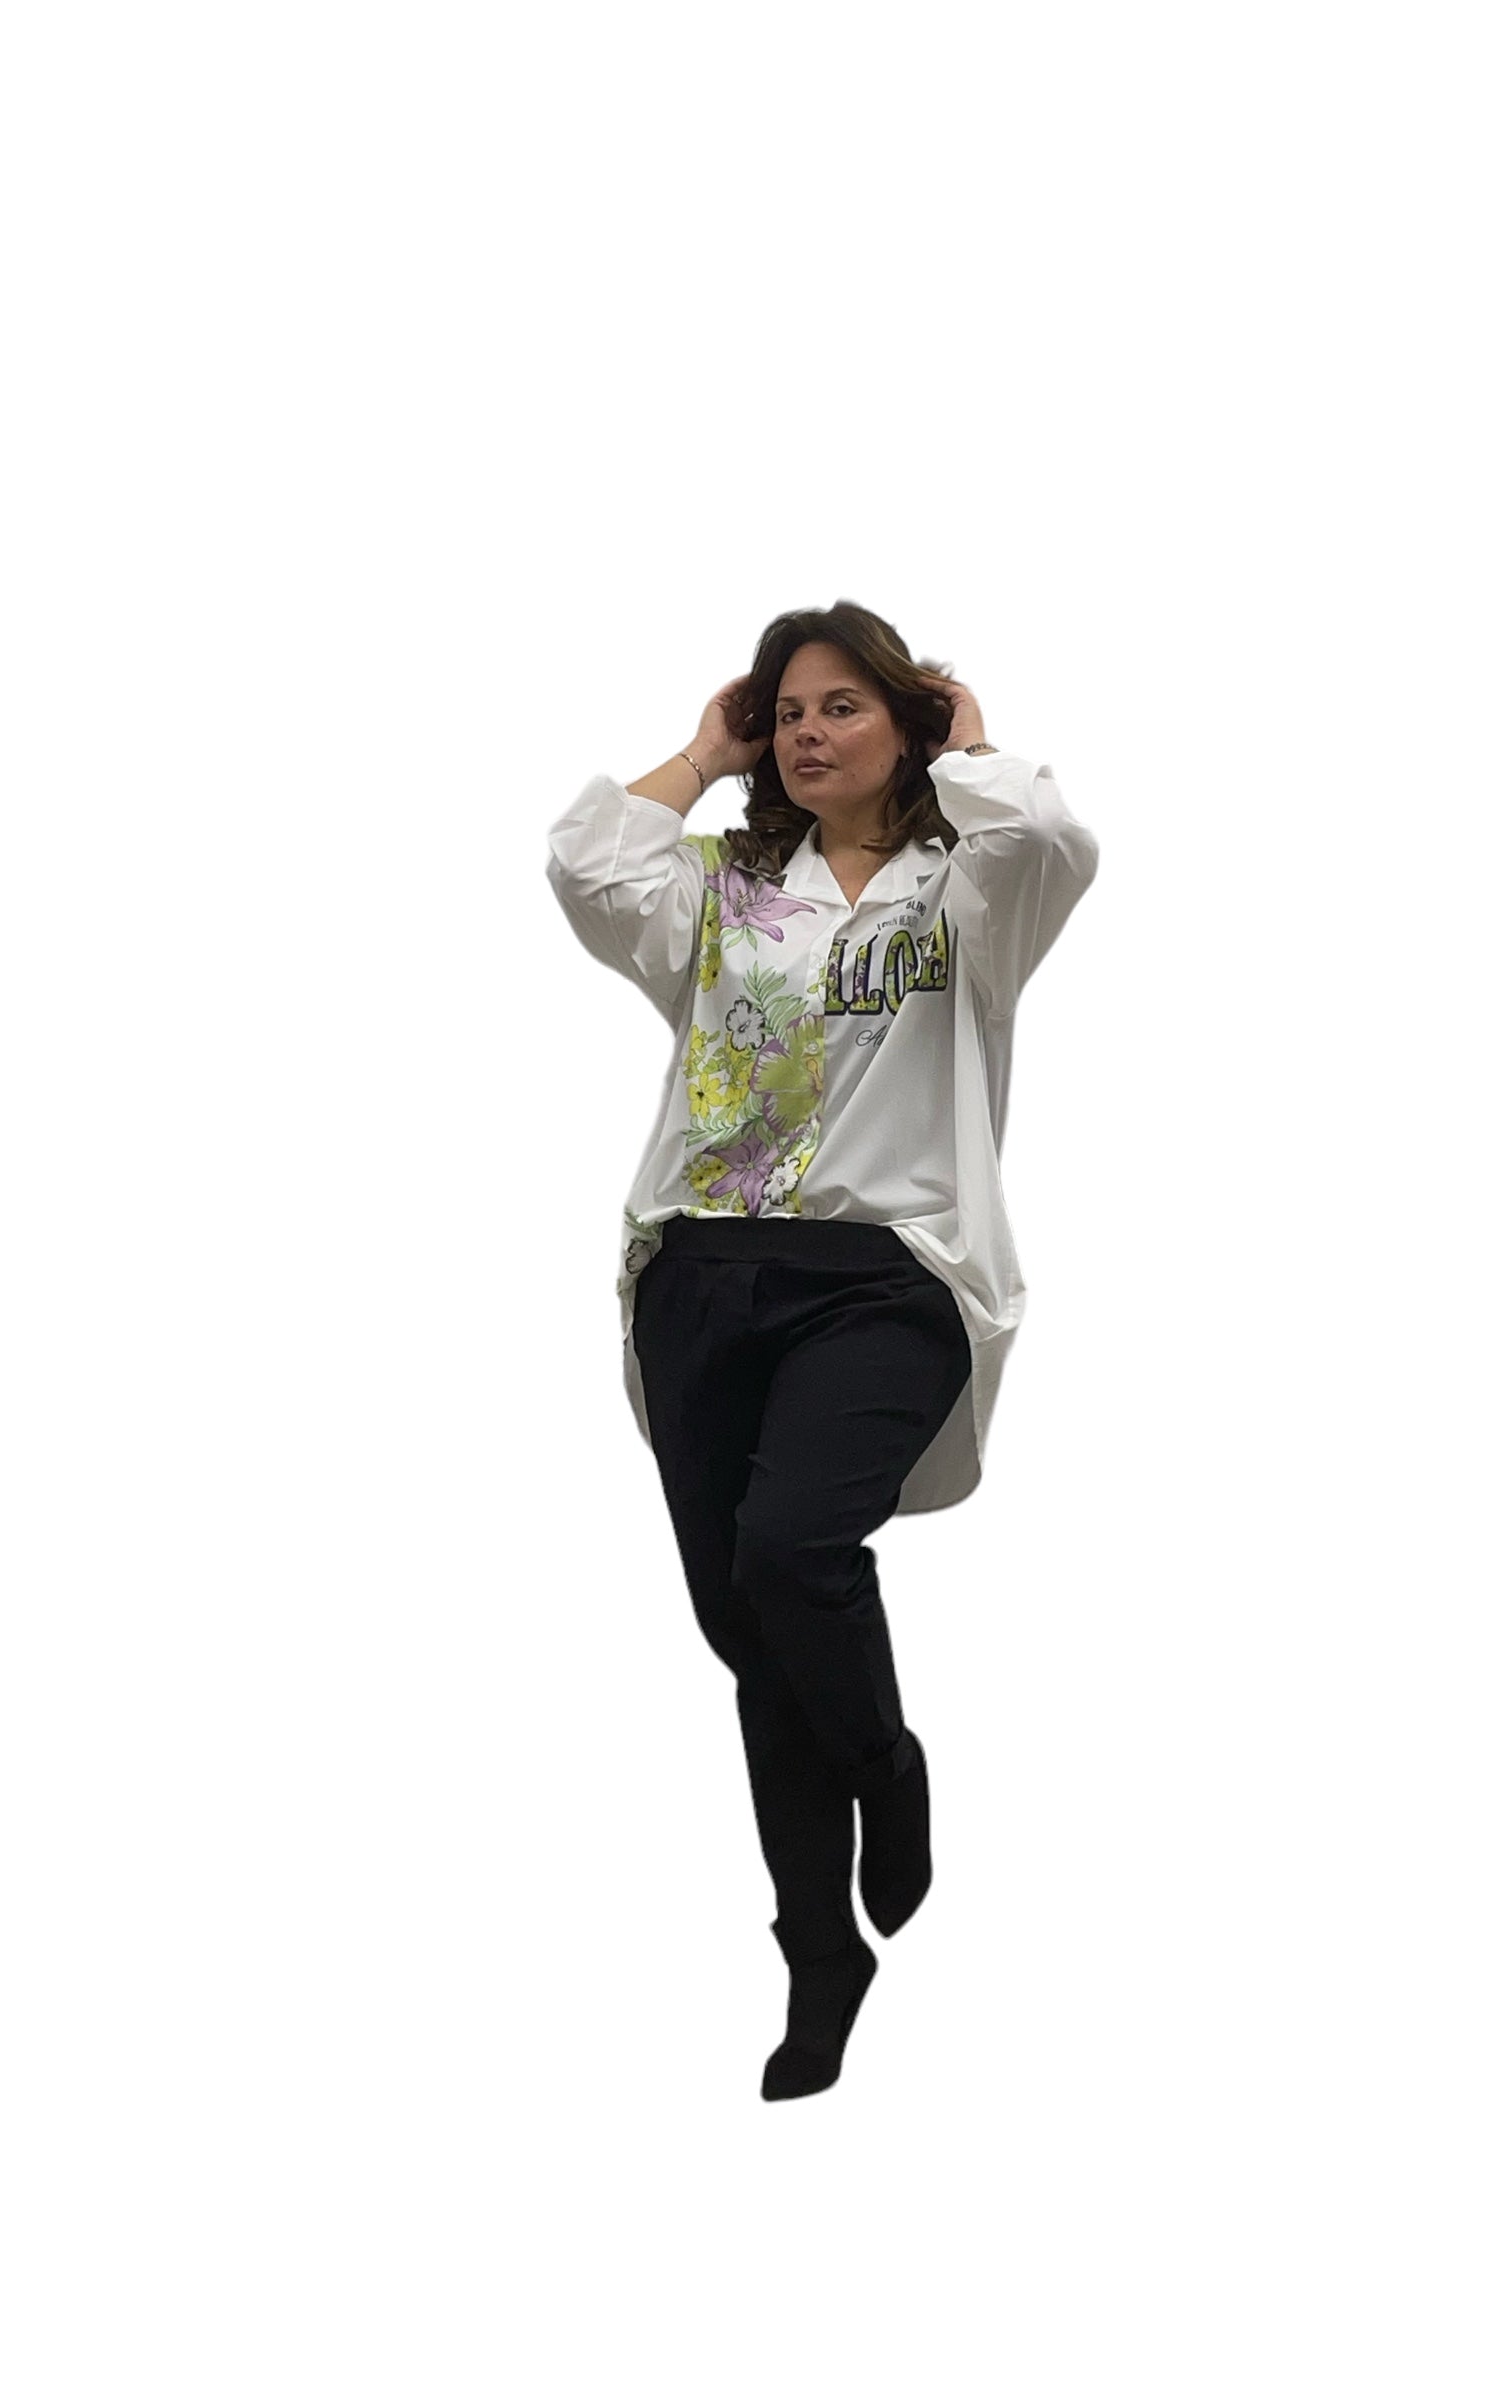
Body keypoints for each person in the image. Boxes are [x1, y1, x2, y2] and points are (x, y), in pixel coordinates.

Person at [544, 600, 1100, 2100]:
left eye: (842, 705)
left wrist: (965, 743)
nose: (806, 731)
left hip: (886, 1277)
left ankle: (887, 1769)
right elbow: (586, 861)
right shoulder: (724, 888)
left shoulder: (968, 890)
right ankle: (816, 1955)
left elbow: (1052, 834)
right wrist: (703, 753)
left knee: (794, 1555)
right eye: (787, 710)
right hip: (701, 1274)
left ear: (906, 723)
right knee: (756, 1636)